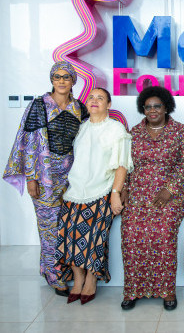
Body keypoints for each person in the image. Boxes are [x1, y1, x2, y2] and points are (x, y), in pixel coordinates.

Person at [3, 61, 88, 296]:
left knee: (68, 227)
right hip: (45, 177)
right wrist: (31, 178)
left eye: (66, 77)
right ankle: (53, 275)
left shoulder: (80, 108)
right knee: (49, 228)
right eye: (57, 77)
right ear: (51, 80)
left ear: (73, 81)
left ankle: (67, 271)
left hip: (73, 177)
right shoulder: (39, 105)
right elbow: (28, 142)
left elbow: (87, 141)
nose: (61, 81)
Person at [54, 88, 132, 304]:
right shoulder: (80, 128)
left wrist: (116, 193)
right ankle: (78, 279)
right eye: (91, 97)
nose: (94, 101)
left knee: (94, 238)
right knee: (68, 236)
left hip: (102, 191)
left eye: (100, 98)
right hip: (75, 192)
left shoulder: (116, 129)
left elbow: (122, 165)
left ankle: (91, 279)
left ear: (109, 105)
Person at [120, 86, 184, 311]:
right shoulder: (134, 132)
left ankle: (167, 290)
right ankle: (133, 289)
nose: (152, 110)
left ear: (166, 107)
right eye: (148, 107)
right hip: (139, 191)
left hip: (172, 192)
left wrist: (170, 189)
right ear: (142, 109)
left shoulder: (180, 131)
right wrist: (124, 188)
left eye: (157, 106)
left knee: (163, 231)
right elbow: (126, 164)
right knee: (131, 231)